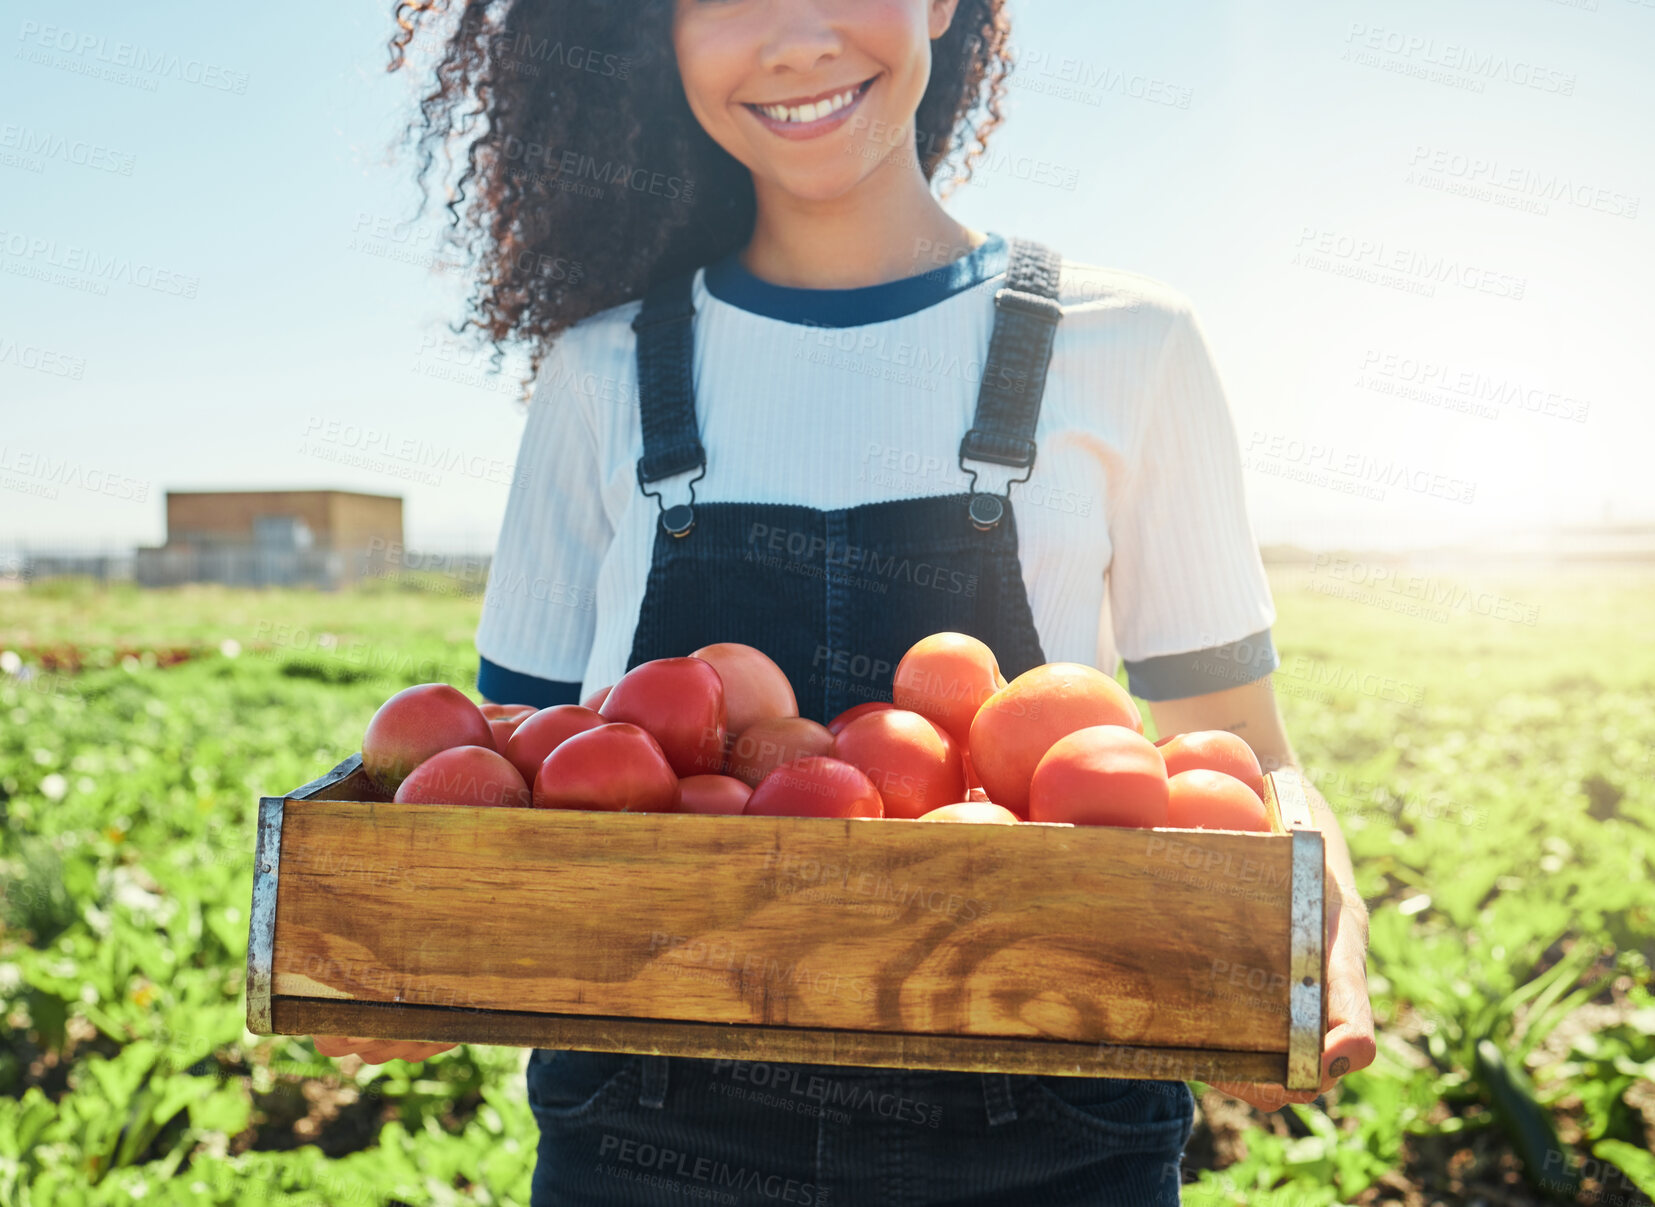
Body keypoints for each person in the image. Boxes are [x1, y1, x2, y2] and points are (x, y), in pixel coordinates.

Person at [316, 1, 1376, 1202]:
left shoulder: (1129, 347)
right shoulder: (598, 375)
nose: (793, 37)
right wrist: (415, 943)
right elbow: (501, 781)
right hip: (645, 1135)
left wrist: (1317, 916)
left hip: (1055, 1122)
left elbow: (1238, 755)